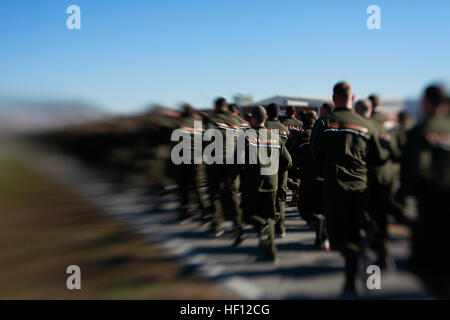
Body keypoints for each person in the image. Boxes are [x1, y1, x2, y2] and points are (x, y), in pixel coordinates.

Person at [311, 82, 388, 295]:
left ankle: (351, 279)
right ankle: (371, 281)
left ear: (334, 97)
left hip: (335, 190)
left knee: (342, 239)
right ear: (352, 98)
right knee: (362, 235)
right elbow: (378, 157)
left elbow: (315, 154)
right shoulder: (366, 125)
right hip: (362, 190)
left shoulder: (324, 123)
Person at [403, 85, 450, 298]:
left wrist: (405, 197)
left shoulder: (420, 131)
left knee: (429, 267)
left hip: (431, 207)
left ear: (428, 103)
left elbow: (414, 172)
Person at [237, 106, 292, 261]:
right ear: (266, 118)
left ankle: (263, 233)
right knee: (268, 218)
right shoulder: (275, 137)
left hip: (253, 183)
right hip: (271, 183)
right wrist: (275, 171)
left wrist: (233, 175)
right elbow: (288, 161)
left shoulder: (246, 136)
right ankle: (270, 251)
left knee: (248, 215)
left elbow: (236, 161)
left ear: (252, 118)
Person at [355, 99, 400, 269]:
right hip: (387, 177)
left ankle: (374, 250)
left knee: (367, 217)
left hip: (369, 177)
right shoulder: (386, 125)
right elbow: (395, 151)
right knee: (381, 217)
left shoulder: (366, 126)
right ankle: (384, 255)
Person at [205, 97, 243, 236]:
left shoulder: (213, 119)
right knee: (233, 193)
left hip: (216, 161)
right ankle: (237, 224)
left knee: (215, 193)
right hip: (232, 161)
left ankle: (217, 226)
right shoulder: (236, 120)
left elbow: (206, 138)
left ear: (216, 106)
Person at [291, 110, 329, 250]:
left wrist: (296, 170)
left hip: (307, 178)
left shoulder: (301, 136)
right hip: (324, 176)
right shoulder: (323, 134)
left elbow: (292, 157)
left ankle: (316, 222)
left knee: (305, 208)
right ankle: (323, 235)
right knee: (323, 208)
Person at [171, 104, 208, 222]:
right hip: (199, 160)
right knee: (198, 187)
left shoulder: (180, 125)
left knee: (184, 188)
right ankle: (204, 212)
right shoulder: (200, 124)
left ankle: (186, 213)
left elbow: (175, 144)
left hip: (184, 160)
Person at [265, 103, 290, 238]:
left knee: (267, 198)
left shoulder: (265, 127)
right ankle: (281, 228)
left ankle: (268, 229)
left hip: (267, 167)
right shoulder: (285, 129)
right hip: (282, 166)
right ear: (278, 114)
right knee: (281, 198)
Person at [282, 106, 304, 194]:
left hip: (286, 153)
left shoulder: (282, 124)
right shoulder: (301, 124)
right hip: (297, 153)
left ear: (286, 113)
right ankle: (296, 191)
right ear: (294, 113)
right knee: (296, 175)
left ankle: (294, 187)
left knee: (285, 175)